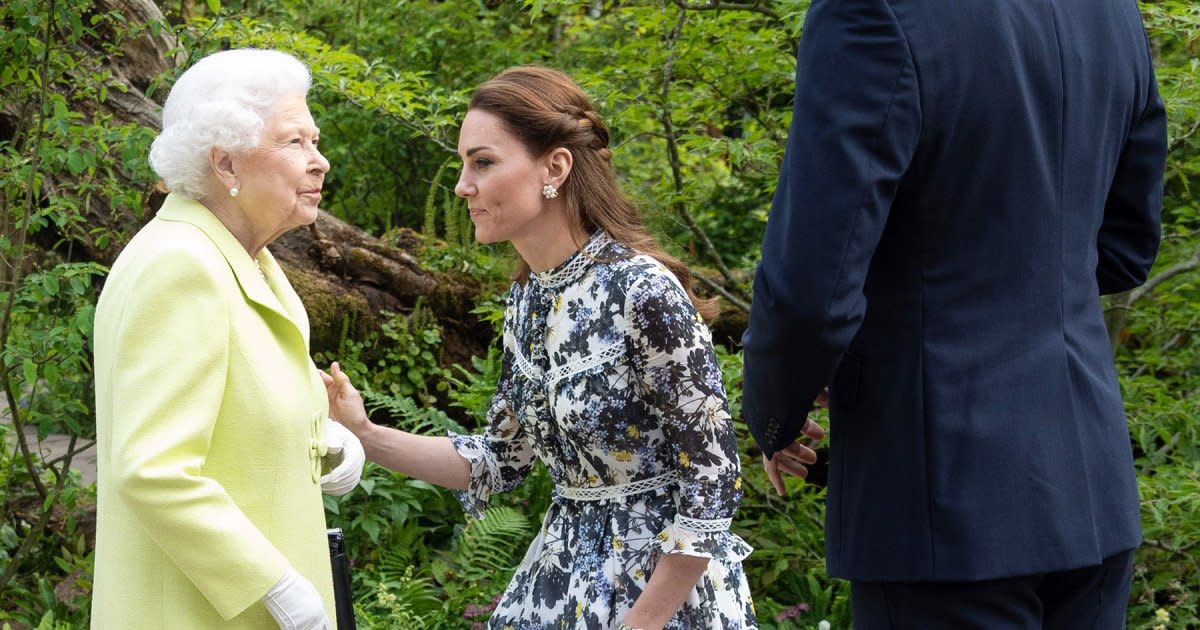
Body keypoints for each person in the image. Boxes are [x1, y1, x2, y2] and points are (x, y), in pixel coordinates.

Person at [741, 0, 1168, 627]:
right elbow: (1128, 248)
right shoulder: (1112, 12)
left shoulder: (871, 12)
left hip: (940, 500)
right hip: (1093, 490)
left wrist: (777, 408)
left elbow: (811, 288)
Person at [324, 65, 756, 629]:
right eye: (463, 164)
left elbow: (714, 474)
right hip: (559, 582)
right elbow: (500, 462)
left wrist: (642, 623)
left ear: (555, 167)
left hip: (662, 597)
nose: (462, 185)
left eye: (483, 162)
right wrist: (364, 434)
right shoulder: (526, 300)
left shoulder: (641, 291)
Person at [91, 49, 365, 629]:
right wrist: (280, 588)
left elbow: (241, 414)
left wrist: (330, 443)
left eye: (314, 142)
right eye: (295, 143)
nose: (321, 162)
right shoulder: (180, 267)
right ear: (227, 166)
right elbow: (153, 469)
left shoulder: (251, 261)